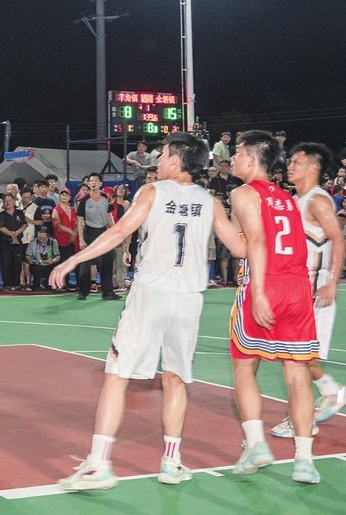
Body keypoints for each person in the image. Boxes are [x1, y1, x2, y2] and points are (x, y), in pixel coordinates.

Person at [51, 133, 245, 492]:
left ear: (176, 160)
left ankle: (100, 465)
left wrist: (75, 259)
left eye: (164, 154)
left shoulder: (153, 191)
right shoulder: (210, 201)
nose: (159, 159)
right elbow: (240, 247)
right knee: (175, 378)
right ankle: (171, 461)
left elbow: (121, 231)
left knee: (117, 374)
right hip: (189, 299)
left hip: (151, 294)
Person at [227, 130, 321, 484]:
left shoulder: (242, 193)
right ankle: (305, 461)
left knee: (243, 367)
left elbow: (253, 242)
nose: (232, 158)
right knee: (297, 375)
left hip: (266, 282)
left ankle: (256, 444)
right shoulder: (286, 198)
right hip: (297, 287)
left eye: (237, 153)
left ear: (252, 159)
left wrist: (258, 293)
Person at [269, 143, 346, 440]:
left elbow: (338, 240)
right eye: (290, 161)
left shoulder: (317, 200)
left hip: (315, 292)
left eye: (297, 162)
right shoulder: (295, 200)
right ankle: (330, 394)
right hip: (296, 291)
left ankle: (306, 416)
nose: (290, 166)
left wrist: (332, 283)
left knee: (297, 358)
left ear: (314, 167)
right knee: (294, 356)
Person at [75, 173, 120, 300]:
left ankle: (108, 292)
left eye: (96, 180)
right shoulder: (84, 200)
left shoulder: (105, 198)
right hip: (89, 233)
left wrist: (114, 232)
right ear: (88, 183)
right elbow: (79, 221)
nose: (93, 183)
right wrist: (81, 239)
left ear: (100, 183)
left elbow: (109, 216)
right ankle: (83, 292)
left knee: (107, 261)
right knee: (85, 263)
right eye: (91, 181)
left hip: (103, 232)